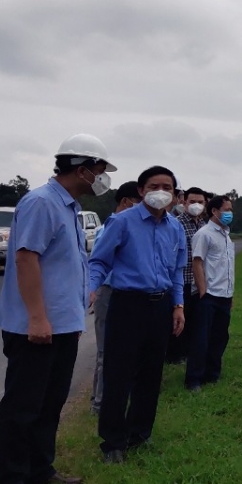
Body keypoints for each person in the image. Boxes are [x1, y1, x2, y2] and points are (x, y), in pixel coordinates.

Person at [0, 133, 117, 484]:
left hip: (62, 325)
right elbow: (26, 259)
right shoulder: (42, 203)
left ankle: (39, 469)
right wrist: (37, 318)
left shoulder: (70, 207)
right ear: (82, 169)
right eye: (99, 170)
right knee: (22, 404)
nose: (102, 177)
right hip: (36, 327)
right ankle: (8, 483)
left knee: (50, 402)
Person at [88, 166, 186, 464]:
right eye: (154, 185)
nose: (161, 191)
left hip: (160, 304)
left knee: (150, 374)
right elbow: (99, 261)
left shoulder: (175, 228)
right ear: (141, 191)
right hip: (127, 304)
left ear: (173, 194)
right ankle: (113, 442)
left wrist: (178, 305)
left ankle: (140, 433)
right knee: (118, 374)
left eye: (167, 187)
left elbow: (177, 270)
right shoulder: (122, 222)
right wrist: (90, 290)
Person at [89, 181, 141, 415]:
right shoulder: (108, 228)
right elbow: (100, 264)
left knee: (122, 351)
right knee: (105, 352)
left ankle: (106, 397)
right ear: (126, 202)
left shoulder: (133, 227)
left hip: (126, 295)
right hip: (109, 293)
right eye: (139, 201)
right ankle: (99, 403)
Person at [186, 194, 236, 391]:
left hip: (225, 295)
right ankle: (193, 379)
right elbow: (197, 262)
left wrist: (231, 293)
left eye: (231, 210)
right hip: (208, 296)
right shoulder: (204, 234)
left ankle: (212, 375)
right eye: (226, 210)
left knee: (220, 337)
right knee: (201, 338)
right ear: (214, 211)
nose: (230, 214)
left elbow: (228, 266)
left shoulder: (226, 235)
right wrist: (203, 291)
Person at [167, 187, 208, 364]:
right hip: (180, 281)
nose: (196, 205)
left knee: (194, 320)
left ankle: (187, 353)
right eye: (192, 201)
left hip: (197, 282)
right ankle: (174, 356)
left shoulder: (204, 226)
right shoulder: (175, 224)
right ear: (184, 203)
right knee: (178, 320)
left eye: (200, 202)